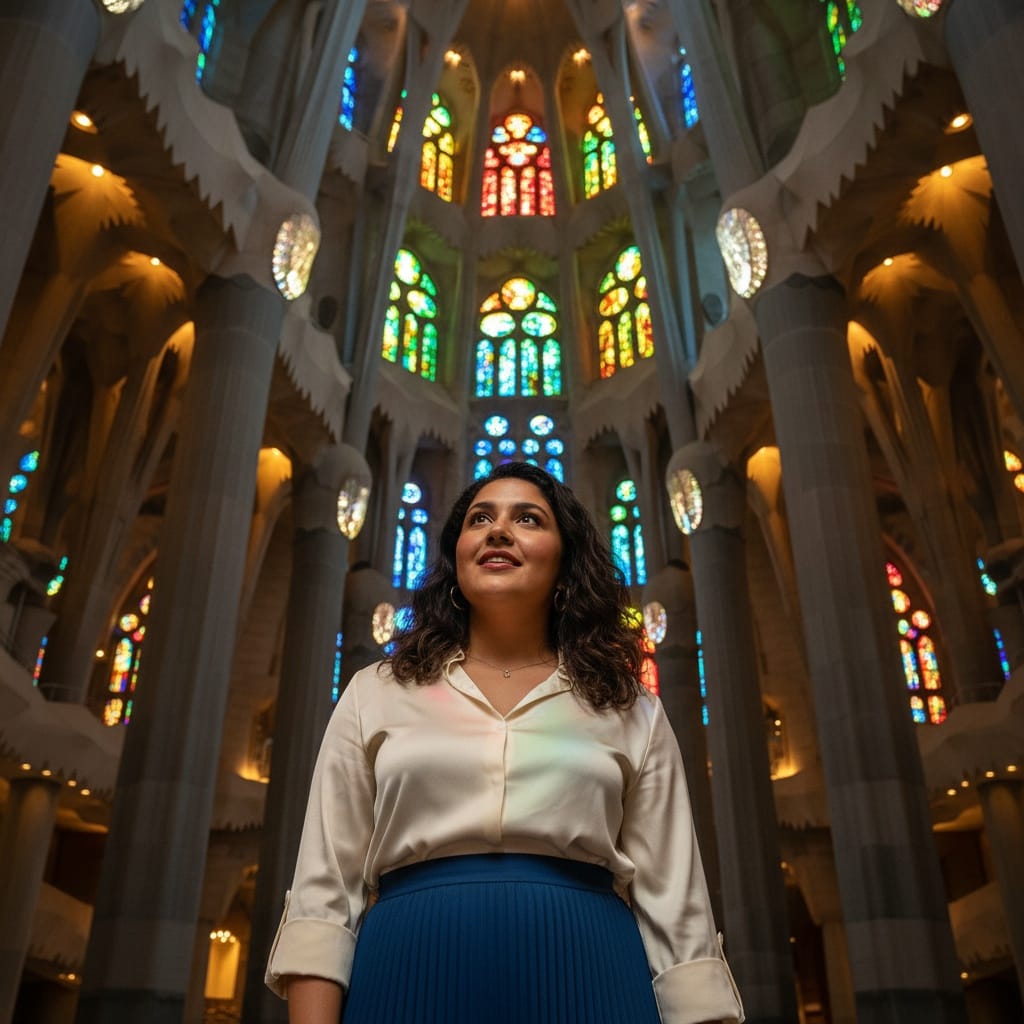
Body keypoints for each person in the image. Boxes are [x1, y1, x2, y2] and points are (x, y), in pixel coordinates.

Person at [266, 461, 744, 1023]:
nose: (498, 530)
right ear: (456, 558)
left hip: (592, 979)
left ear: (565, 563)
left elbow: (677, 905)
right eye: (480, 518)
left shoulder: (630, 706)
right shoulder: (375, 693)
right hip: (404, 974)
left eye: (528, 519)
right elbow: (325, 888)